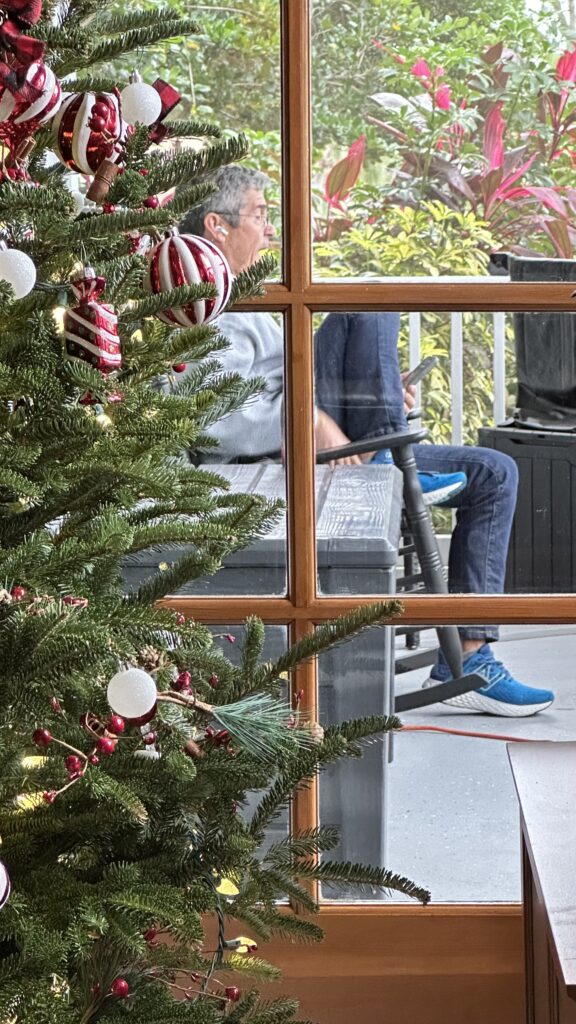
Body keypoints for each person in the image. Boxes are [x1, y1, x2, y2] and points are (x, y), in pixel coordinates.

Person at [177, 165, 555, 718]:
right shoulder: (202, 304)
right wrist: (303, 420)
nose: (270, 230)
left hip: (324, 434)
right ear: (217, 224)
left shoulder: (252, 292)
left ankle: (468, 657)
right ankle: (386, 460)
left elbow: (292, 377)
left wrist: (375, 390)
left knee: (496, 472)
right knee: (366, 301)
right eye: (261, 216)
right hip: (287, 454)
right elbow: (216, 420)